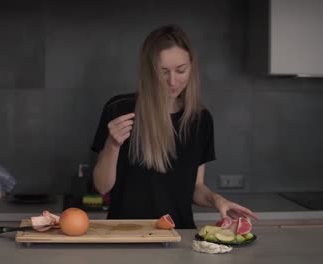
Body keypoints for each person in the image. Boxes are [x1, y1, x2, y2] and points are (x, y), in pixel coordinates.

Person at [91, 24, 258, 229]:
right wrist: (113, 145)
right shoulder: (118, 109)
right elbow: (101, 186)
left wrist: (217, 200)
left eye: (181, 70)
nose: (173, 81)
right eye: (163, 72)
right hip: (126, 235)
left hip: (180, 236)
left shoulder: (200, 120)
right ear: (149, 71)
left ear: (191, 67)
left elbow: (195, 187)